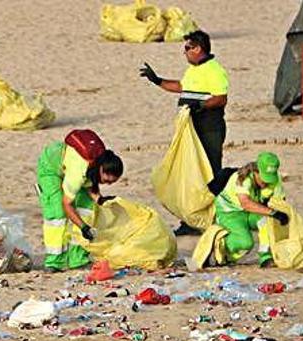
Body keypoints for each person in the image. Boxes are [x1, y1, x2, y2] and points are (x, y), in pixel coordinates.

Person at [140, 30, 230, 235]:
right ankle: (191, 219)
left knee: (209, 171)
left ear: (199, 48)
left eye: (188, 48)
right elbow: (182, 87)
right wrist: (157, 80)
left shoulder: (214, 70)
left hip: (209, 127)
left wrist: (201, 105)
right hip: (192, 126)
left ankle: (212, 218)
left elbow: (221, 97)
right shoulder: (194, 70)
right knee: (191, 172)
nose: (185, 52)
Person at [37, 129, 124, 272]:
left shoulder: (96, 165)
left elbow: (91, 186)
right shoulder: (78, 173)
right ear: (101, 170)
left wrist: (101, 200)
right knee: (57, 213)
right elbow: (67, 204)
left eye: (110, 183)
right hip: (51, 167)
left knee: (87, 208)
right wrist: (84, 228)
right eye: (106, 180)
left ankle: (78, 259)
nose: (106, 184)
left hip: (73, 167)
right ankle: (54, 261)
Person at [213, 152, 288, 268]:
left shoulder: (275, 179)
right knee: (246, 243)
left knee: (266, 221)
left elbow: (280, 202)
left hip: (251, 212)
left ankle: (265, 256)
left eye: (269, 179)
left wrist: (281, 214)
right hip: (230, 212)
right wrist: (272, 212)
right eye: (263, 179)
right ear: (256, 171)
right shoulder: (242, 178)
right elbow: (246, 203)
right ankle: (222, 247)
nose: (265, 183)